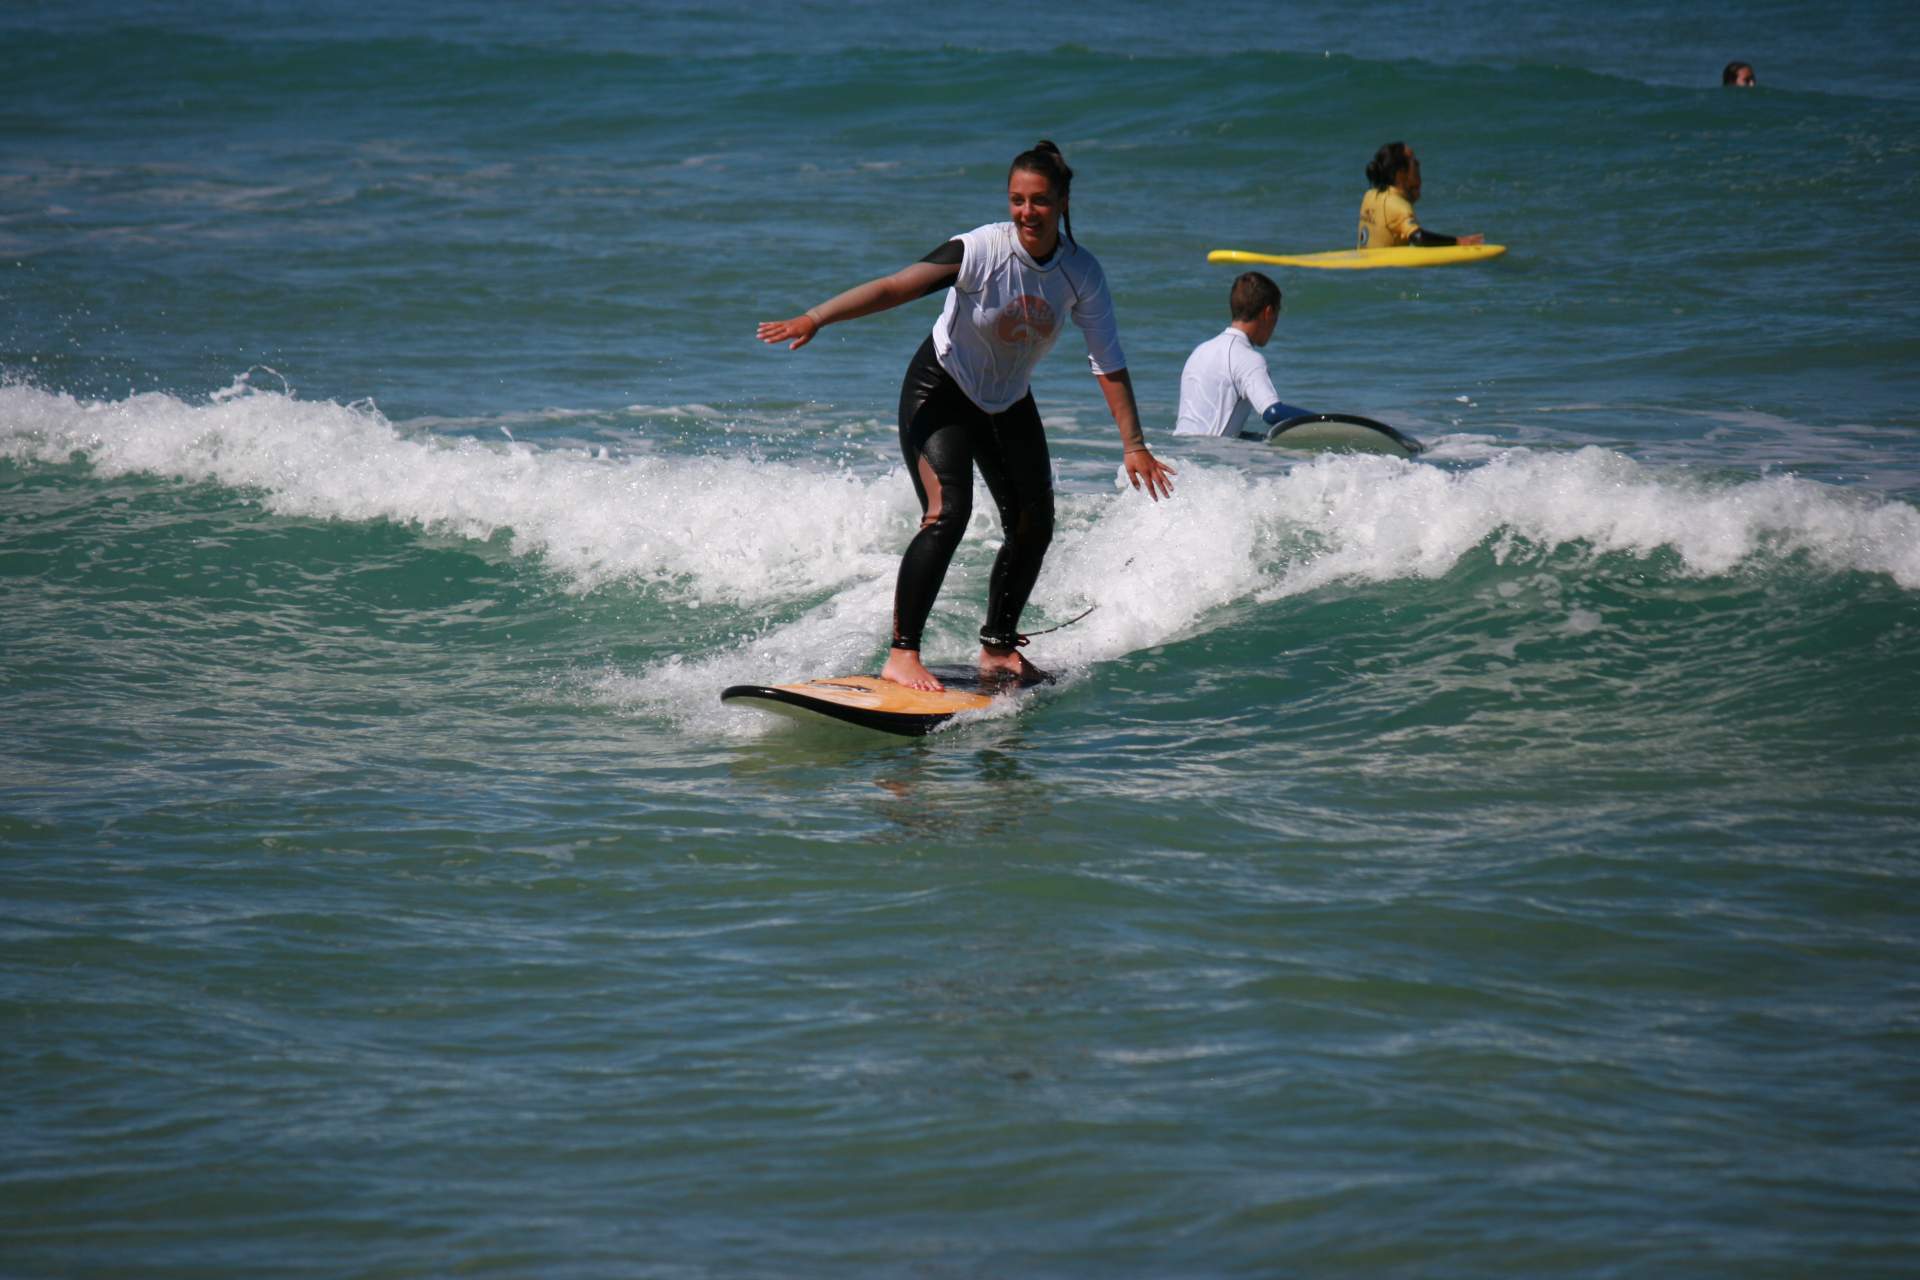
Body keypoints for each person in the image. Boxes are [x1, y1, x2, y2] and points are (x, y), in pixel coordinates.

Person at [757, 140, 1176, 693]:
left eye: (1040, 201)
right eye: (1016, 199)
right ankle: (902, 656)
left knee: (1033, 525)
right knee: (948, 513)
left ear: (1064, 201)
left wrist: (1134, 443)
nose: (1027, 212)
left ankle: (998, 649)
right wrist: (816, 317)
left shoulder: (1081, 273)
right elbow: (893, 287)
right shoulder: (979, 250)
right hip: (941, 389)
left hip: (1007, 400)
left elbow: (1108, 361)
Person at [1173, 271, 1314, 438]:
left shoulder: (1199, 352)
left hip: (1181, 454)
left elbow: (1205, 428)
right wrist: (1324, 421)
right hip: (1210, 459)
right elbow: (1273, 412)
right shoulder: (1247, 358)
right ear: (1268, 313)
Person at [1357, 142, 1484, 250]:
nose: (1419, 166)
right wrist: (1458, 241)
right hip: (1387, 273)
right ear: (1401, 173)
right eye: (1415, 163)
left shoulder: (1369, 195)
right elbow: (1418, 238)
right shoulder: (1398, 206)